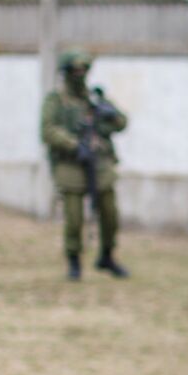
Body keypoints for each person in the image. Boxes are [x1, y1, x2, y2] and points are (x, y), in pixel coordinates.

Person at [40, 50, 130, 280]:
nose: (80, 74)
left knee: (110, 214)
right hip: (71, 164)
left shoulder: (94, 98)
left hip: (99, 163)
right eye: (75, 70)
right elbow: (48, 130)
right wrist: (73, 144)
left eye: (83, 70)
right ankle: (74, 261)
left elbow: (122, 123)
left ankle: (107, 256)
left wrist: (109, 115)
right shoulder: (56, 100)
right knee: (74, 218)